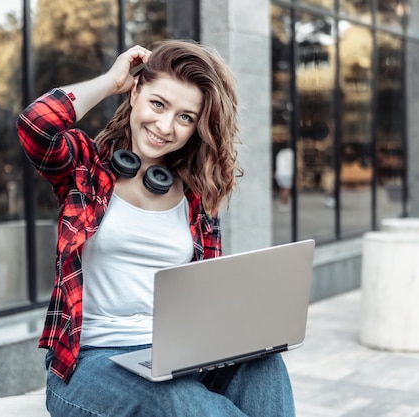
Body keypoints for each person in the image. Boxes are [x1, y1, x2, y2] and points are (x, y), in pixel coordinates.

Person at [16, 40, 296, 417]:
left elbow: (205, 295)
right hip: (91, 364)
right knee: (173, 397)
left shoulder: (197, 196)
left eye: (185, 117)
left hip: (176, 356)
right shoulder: (85, 170)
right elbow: (36, 124)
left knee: (265, 365)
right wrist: (111, 80)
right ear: (135, 93)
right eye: (158, 104)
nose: (165, 126)